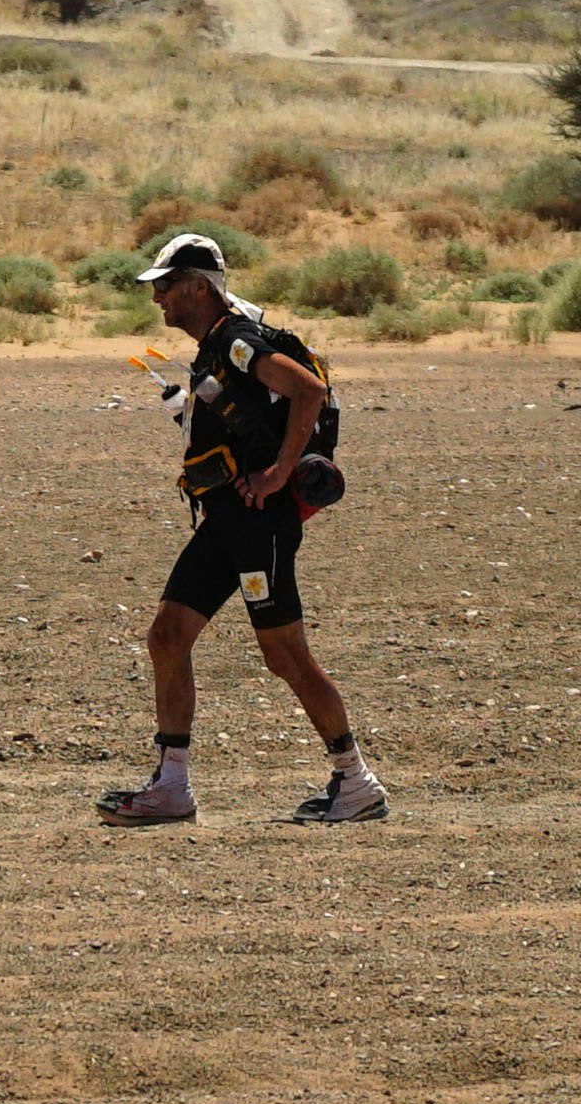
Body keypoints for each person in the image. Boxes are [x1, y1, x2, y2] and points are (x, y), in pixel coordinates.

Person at [97, 233, 388, 827]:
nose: (159, 300)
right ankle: (172, 787)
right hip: (226, 520)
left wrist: (280, 472)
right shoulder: (213, 346)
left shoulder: (234, 339)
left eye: (167, 286)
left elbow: (309, 389)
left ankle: (355, 782)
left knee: (284, 655)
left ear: (199, 286)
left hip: (260, 524)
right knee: (168, 635)